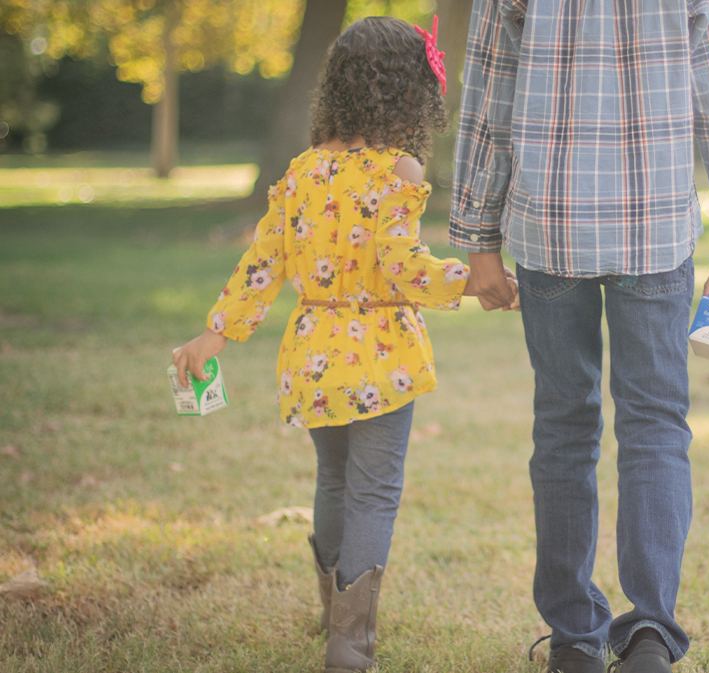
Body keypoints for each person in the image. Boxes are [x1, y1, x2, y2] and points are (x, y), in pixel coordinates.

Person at [171, 16, 512, 673]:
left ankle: (336, 614)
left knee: (333, 477)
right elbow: (404, 265)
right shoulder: (398, 169)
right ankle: (351, 646)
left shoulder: (301, 171)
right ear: (411, 92)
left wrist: (215, 332)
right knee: (374, 492)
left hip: (312, 356)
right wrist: (475, 280)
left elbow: (263, 263)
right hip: (381, 358)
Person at [449, 0, 709, 671]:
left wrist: (477, 234)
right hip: (654, 224)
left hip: (550, 221)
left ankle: (574, 637)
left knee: (564, 425)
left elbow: (489, 89)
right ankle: (650, 631)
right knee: (655, 423)